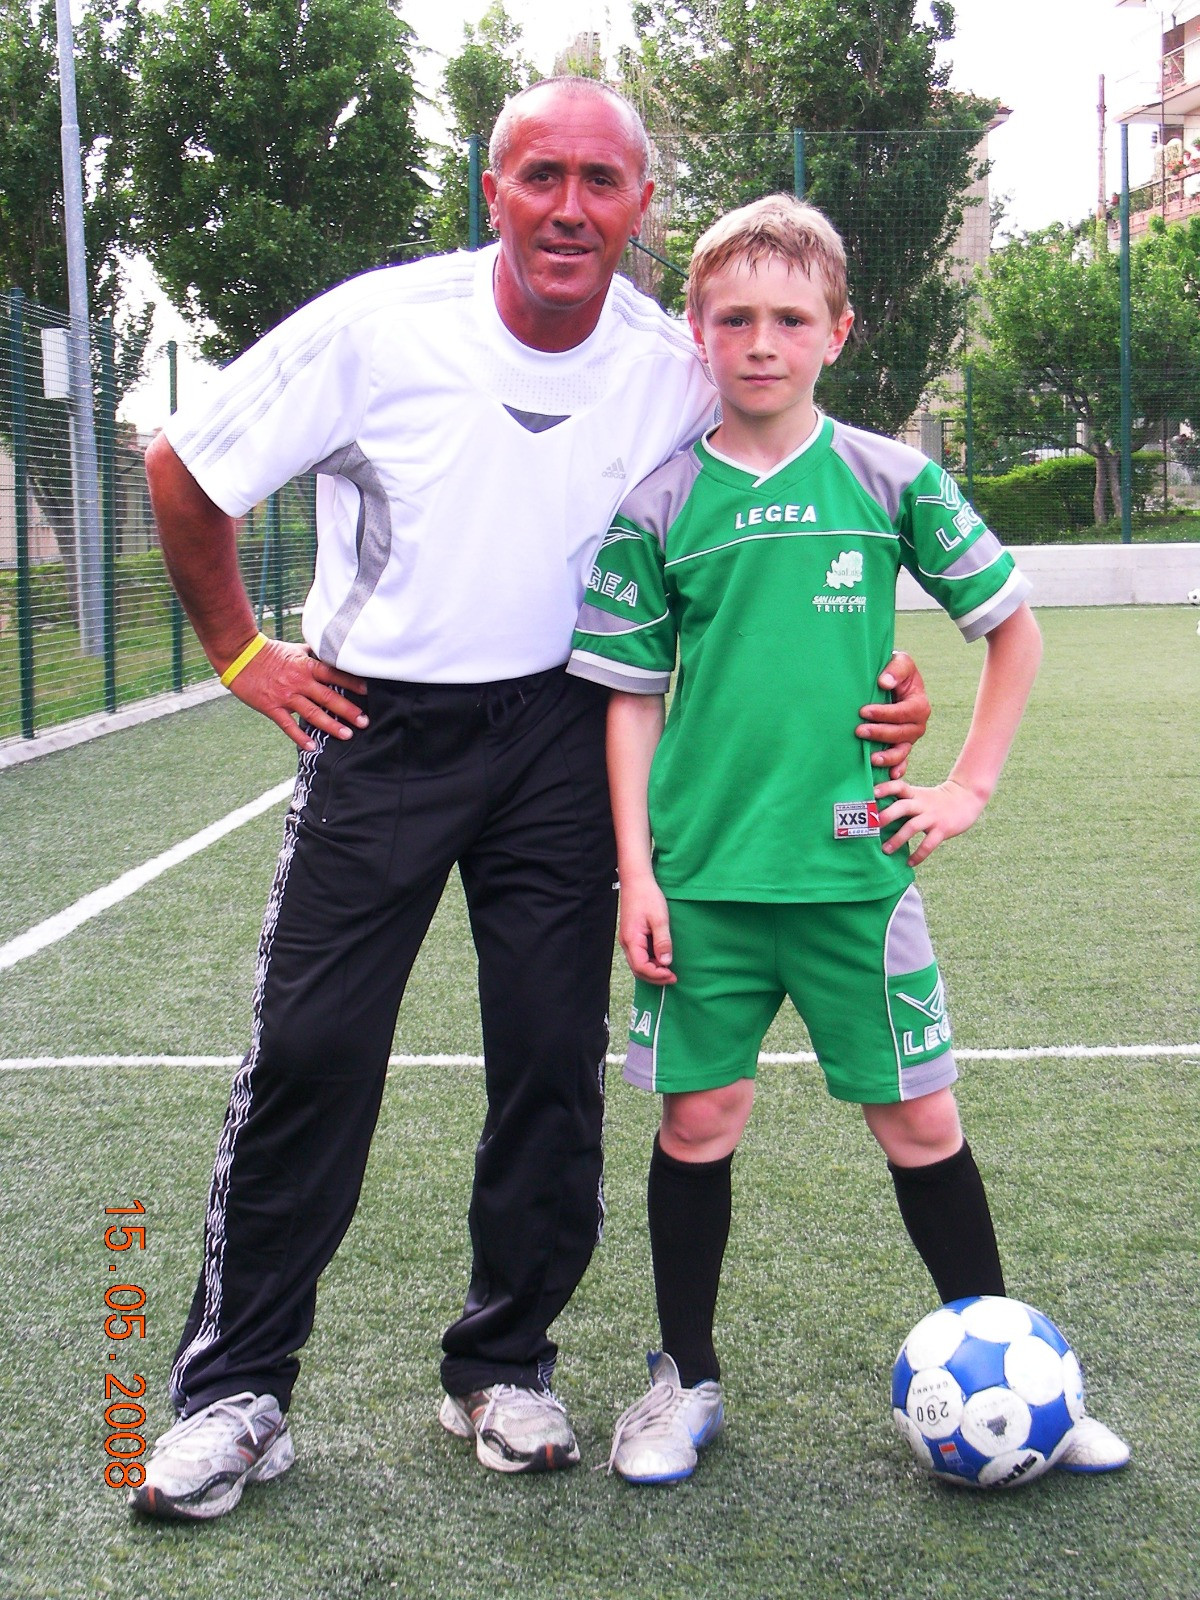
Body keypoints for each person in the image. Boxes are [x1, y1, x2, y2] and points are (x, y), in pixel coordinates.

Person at [131, 86, 932, 1521]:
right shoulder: (382, 328)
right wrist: (244, 654)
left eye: (603, 181)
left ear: (640, 207)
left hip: (565, 733)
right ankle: (235, 1390)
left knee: (551, 1063)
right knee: (312, 1048)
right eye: (542, 175)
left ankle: (502, 1367)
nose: (571, 207)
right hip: (381, 728)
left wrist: (884, 678)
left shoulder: (674, 362)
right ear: (492, 188)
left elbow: (808, 490)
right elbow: (183, 467)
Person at [566, 195, 1130, 1486]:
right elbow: (631, 701)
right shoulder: (660, 505)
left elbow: (1013, 629)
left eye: (790, 318)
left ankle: (1022, 1375)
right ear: (699, 333)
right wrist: (637, 874)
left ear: (838, 331)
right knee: (699, 1120)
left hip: (855, 882)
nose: (761, 342)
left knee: (922, 1123)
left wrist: (967, 788)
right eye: (734, 319)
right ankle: (683, 1380)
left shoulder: (891, 480)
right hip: (703, 884)